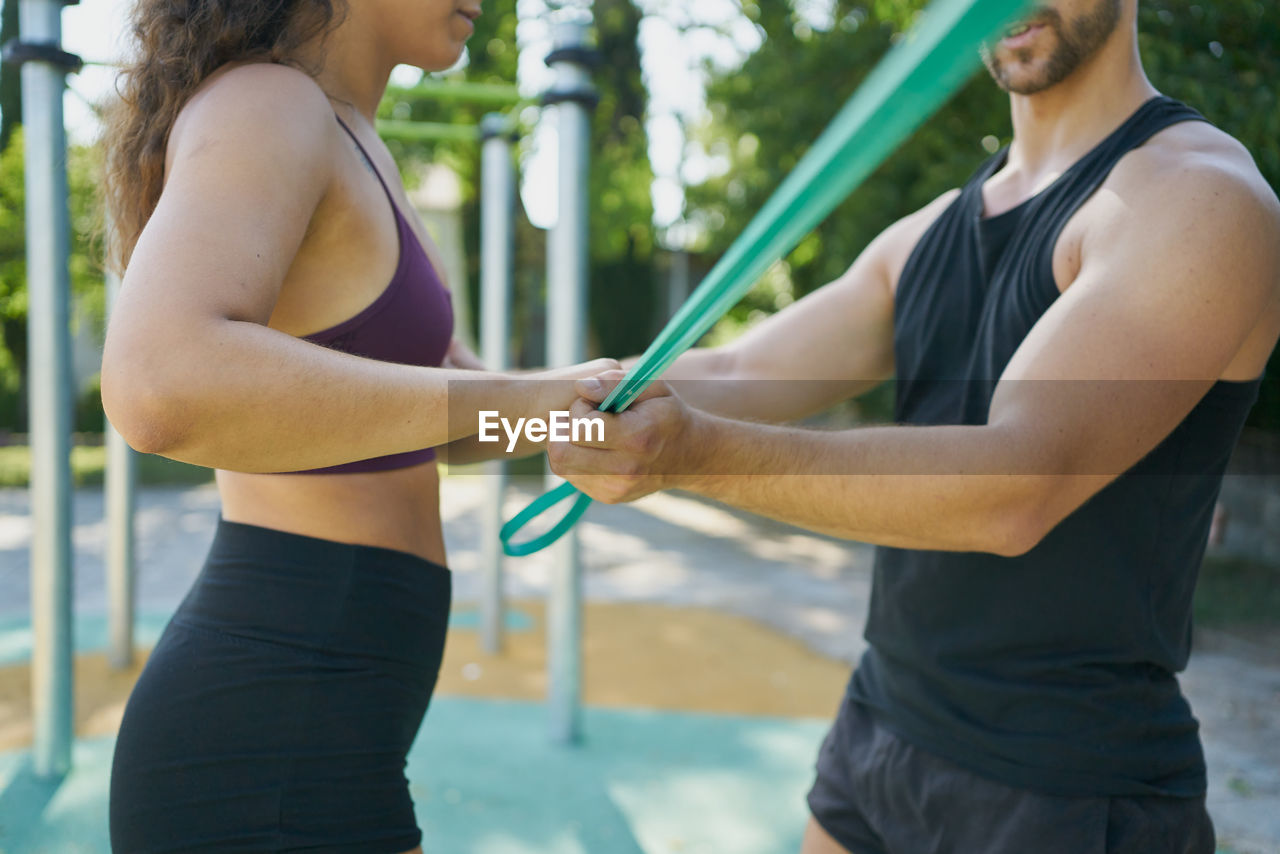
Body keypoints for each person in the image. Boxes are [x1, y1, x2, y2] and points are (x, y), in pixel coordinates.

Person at [547, 1, 1280, 851]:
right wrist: (471, 408)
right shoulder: (931, 229)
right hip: (879, 729)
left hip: (1066, 786)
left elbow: (1014, 486)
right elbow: (741, 373)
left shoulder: (1201, 198)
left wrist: (690, 456)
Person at [99, 1, 613, 851]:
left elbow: (446, 411)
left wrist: (613, 413)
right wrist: (543, 400)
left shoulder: (350, 135)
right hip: (263, 745)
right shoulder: (270, 103)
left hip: (327, 727)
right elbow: (159, 383)